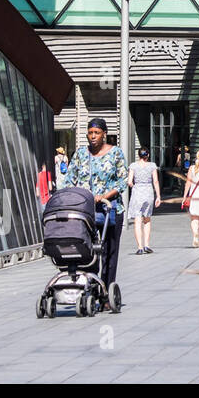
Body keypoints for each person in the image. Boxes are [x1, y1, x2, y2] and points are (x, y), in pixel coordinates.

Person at [66, 117, 128, 286]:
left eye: (97, 133)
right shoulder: (80, 154)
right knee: (89, 250)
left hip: (110, 210)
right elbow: (70, 179)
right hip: (87, 212)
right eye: (90, 133)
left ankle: (107, 289)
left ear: (104, 134)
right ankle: (92, 286)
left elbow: (122, 181)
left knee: (109, 251)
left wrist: (104, 196)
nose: (93, 136)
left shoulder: (115, 153)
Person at [126, 148, 161, 254]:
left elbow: (129, 182)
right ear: (148, 155)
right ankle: (146, 244)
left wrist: (134, 186)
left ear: (138, 155)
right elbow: (155, 181)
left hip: (137, 193)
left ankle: (140, 247)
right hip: (148, 192)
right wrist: (158, 196)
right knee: (147, 220)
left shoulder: (133, 166)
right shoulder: (152, 165)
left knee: (137, 220)